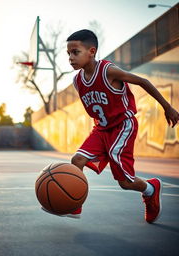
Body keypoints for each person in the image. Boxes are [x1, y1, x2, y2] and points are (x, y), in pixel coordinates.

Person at [43, 29, 179, 223]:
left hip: (123, 125)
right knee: (77, 160)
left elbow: (142, 81)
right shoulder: (77, 80)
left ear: (92, 51)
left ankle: (151, 189)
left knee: (124, 182)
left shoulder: (108, 71)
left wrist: (167, 107)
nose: (70, 58)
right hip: (101, 129)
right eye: (68, 53)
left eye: (75, 52)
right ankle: (74, 205)